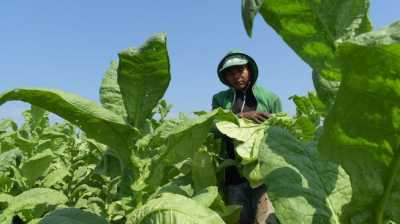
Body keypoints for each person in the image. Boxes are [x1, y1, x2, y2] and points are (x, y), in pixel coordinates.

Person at [212, 51, 281, 224]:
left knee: (267, 220)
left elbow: (282, 133)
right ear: (225, 77)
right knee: (239, 220)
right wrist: (242, 116)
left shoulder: (270, 98)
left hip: (263, 171)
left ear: (249, 70)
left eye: (240, 70)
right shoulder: (220, 99)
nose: (236, 76)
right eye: (230, 73)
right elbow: (214, 127)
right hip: (234, 173)